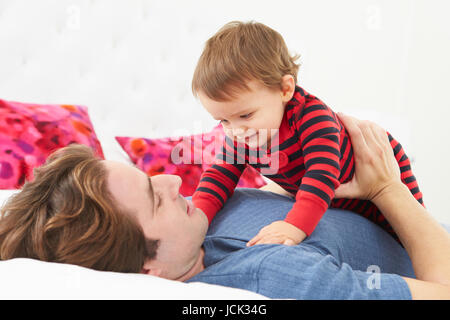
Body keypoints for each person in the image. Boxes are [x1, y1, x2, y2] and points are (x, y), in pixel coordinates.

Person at [0, 115, 449, 299]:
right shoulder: (275, 276)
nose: (174, 178)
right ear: (147, 270)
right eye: (157, 198)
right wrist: (388, 188)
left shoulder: (198, 225)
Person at [190, 20, 424, 246]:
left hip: (384, 176)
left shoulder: (312, 118)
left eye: (246, 116)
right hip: (341, 205)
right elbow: (219, 177)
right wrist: (198, 219)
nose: (235, 131)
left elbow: (322, 173)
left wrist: (295, 225)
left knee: (410, 236)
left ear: (285, 89)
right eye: (223, 120)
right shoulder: (242, 135)